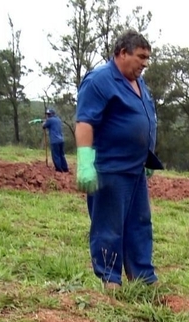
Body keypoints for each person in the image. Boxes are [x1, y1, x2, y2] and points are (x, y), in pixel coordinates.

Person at [74, 29, 163, 290]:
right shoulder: (100, 80)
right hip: (110, 169)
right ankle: (110, 279)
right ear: (122, 53)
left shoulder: (139, 82)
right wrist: (85, 162)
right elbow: (85, 122)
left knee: (139, 225)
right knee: (109, 226)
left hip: (136, 169)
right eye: (140, 57)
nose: (145, 63)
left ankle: (143, 276)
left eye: (148, 58)